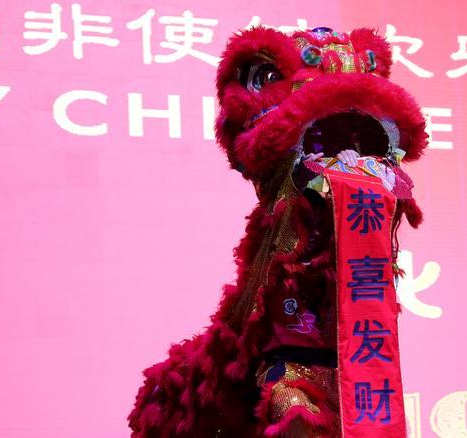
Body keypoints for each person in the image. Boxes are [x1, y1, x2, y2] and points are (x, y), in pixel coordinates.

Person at [129, 25, 428, 437]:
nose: (348, 153)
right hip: (286, 359)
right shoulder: (289, 183)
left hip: (358, 356)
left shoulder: (378, 183)